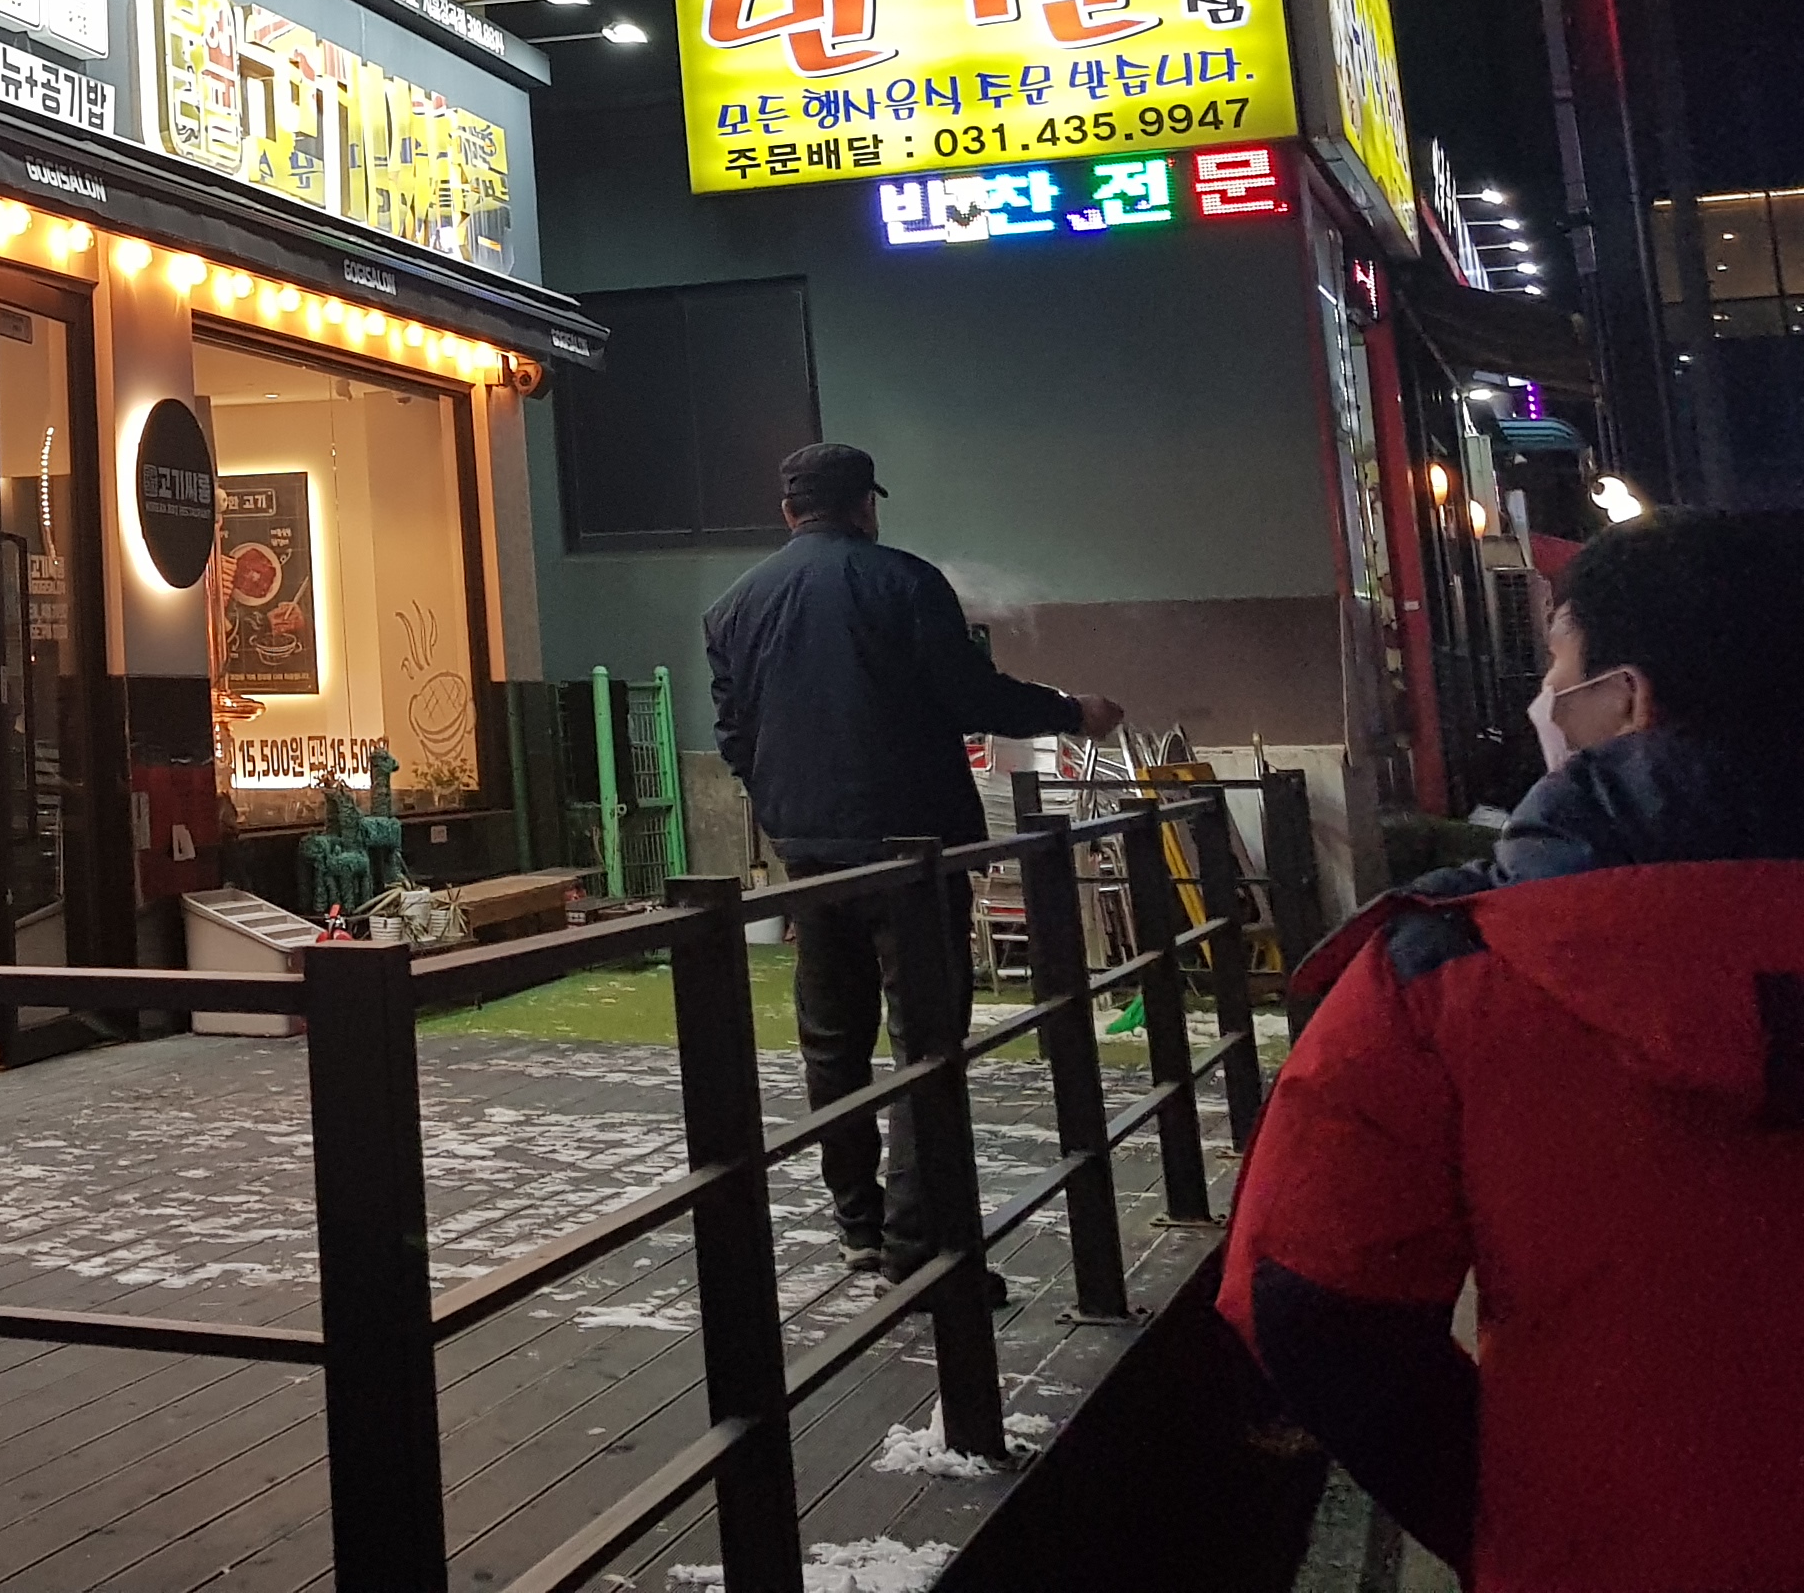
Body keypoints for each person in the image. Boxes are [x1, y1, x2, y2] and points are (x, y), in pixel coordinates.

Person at [1222, 510, 1804, 1592]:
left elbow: (1307, 1295)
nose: (1546, 696)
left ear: (1626, 701)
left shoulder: (1449, 972)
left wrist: (1510, 1513)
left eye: (1556, 664)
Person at [704, 441, 1123, 1281]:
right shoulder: (906, 582)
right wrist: (1072, 711)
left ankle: (859, 1224)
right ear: (866, 505)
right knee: (925, 1044)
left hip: (811, 855)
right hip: (913, 849)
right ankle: (917, 1244)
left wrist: (791, 813)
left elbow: (734, 737)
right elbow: (969, 695)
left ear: (788, 512)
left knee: (832, 1043)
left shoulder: (733, 607)